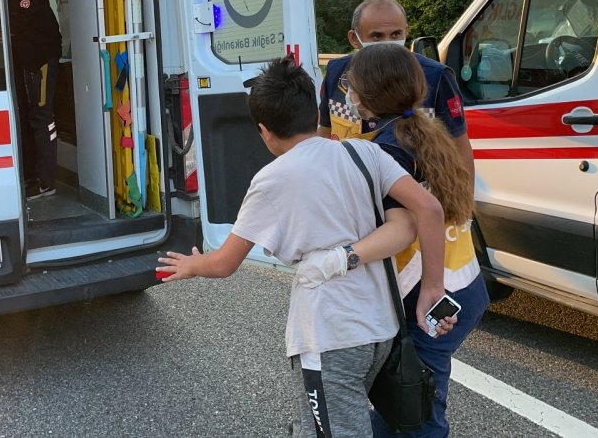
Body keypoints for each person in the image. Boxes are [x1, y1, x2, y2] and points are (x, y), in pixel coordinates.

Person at [156, 57, 454, 438]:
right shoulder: (363, 153)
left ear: (264, 132)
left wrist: (192, 265)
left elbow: (225, 263)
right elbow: (428, 210)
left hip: (330, 334)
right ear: (315, 113)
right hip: (382, 328)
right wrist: (433, 287)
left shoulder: (271, 180)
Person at [301, 44, 489, 438]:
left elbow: (405, 226)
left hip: (432, 295)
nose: (349, 95)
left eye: (352, 88)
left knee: (416, 414)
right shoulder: (422, 130)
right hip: (462, 284)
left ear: (365, 97)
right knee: (399, 405)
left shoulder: (388, 150)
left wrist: (341, 257)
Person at [318, 0, 474, 182]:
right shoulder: (336, 72)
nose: (388, 43)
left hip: (413, 195)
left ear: (406, 32)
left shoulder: (436, 76)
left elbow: (459, 148)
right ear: (354, 38)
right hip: (349, 192)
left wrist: (462, 201)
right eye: (376, 36)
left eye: (395, 34)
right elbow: (324, 135)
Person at [2, 0, 63, 200]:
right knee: (30, 115)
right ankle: (32, 176)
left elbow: (24, 8)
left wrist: (3, 33)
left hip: (41, 55)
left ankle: (46, 182)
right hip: (27, 58)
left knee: (41, 115)